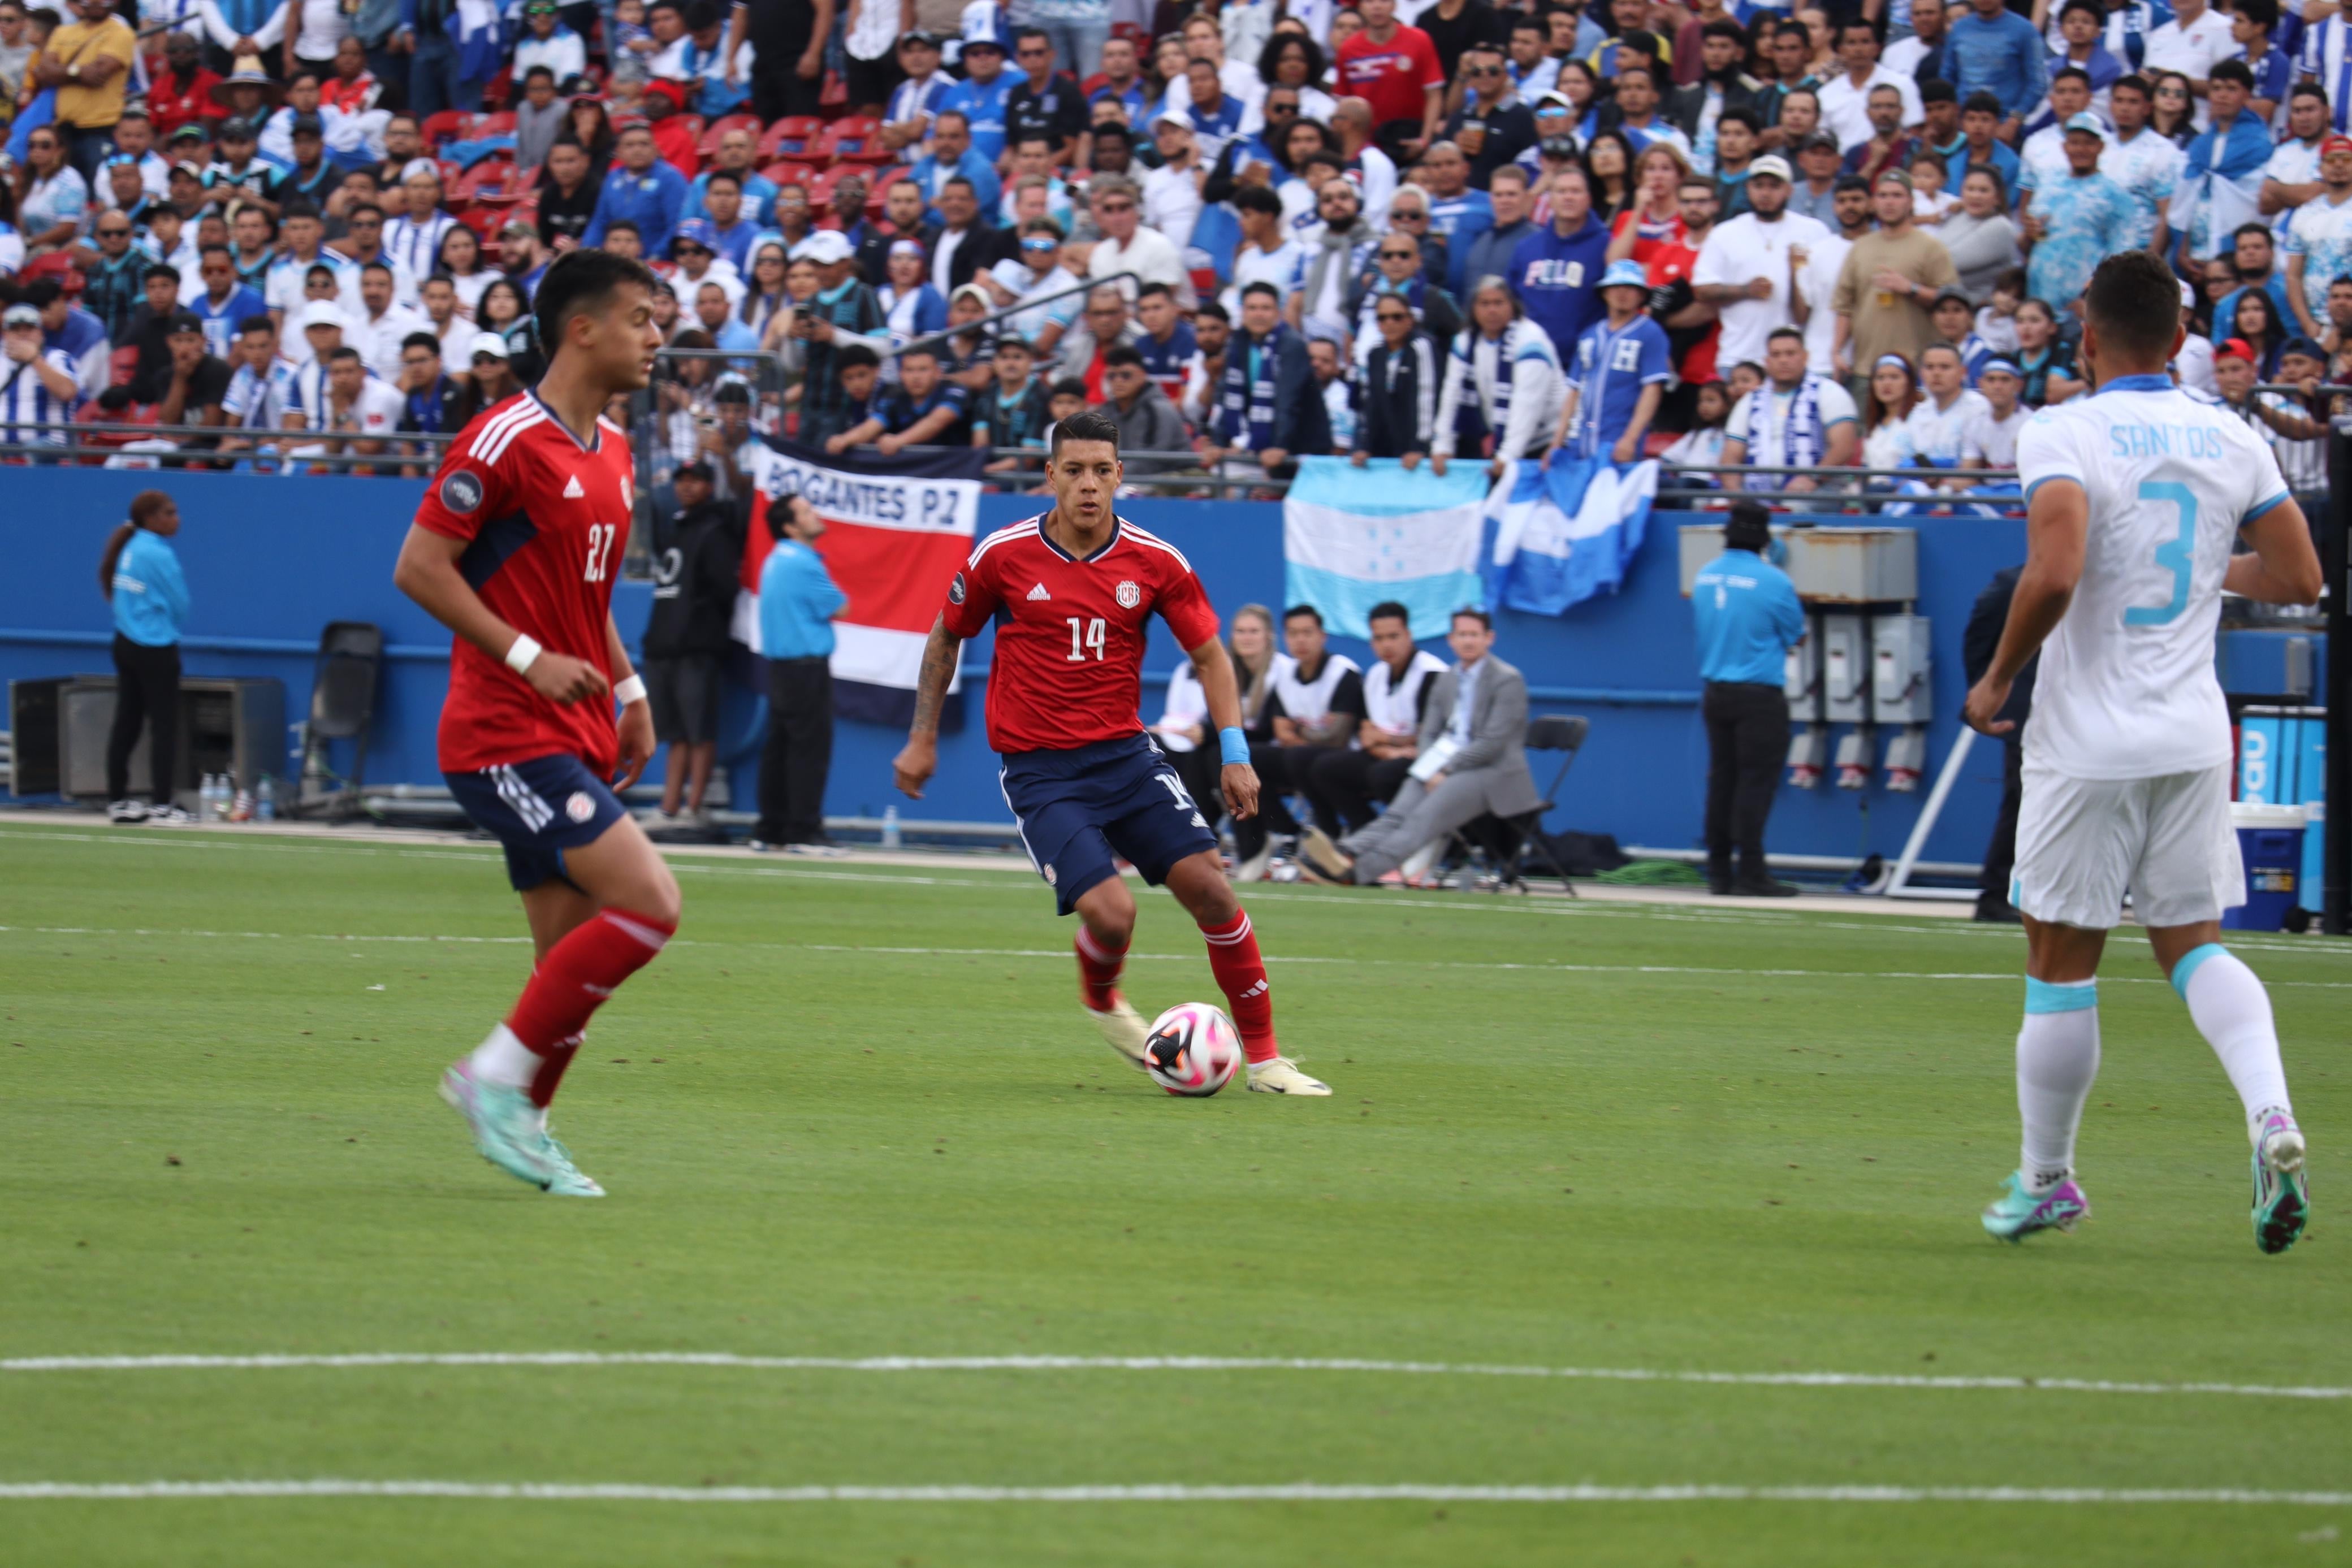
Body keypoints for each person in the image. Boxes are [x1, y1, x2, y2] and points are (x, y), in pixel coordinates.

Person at [1960, 248, 2320, 1253]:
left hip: (2090, 741)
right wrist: (2211, 568)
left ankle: (2048, 1179)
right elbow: (2298, 575)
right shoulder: (2228, 432)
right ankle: (2272, 1113)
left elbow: (2057, 566)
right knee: (2194, 939)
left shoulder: (2064, 429)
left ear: (2084, 332)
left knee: (2060, 957)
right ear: (2178, 340)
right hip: (2194, 732)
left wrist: (1995, 678)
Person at [892, 410, 1332, 1097]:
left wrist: (1234, 752)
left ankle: (1268, 1061)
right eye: (1074, 471)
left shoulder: (1156, 562)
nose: (1088, 485)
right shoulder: (1001, 556)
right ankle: (1103, 1001)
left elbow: (1212, 657)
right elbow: (946, 636)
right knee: (1111, 912)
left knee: (1212, 888)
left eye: (1101, 470)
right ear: (1050, 477)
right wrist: (922, 736)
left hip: (1126, 757)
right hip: (1041, 770)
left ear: (1120, 475)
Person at [390, 249, 679, 1200]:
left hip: (575, 727)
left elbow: (581, 592)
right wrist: (527, 659)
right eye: (642, 317)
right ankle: (488, 1079)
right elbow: (421, 567)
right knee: (651, 902)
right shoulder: (502, 439)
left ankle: (529, 1124)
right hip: (501, 732)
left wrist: (629, 693)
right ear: (582, 328)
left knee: (565, 965)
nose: (657, 336)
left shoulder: (614, 447)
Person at [1296, 607, 1542, 890]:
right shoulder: (1447, 679)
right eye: (1462, 635)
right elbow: (1430, 732)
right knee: (1396, 814)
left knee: (1421, 820)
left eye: (1474, 635)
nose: (1468, 641)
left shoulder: (1508, 680)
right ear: (1451, 640)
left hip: (1490, 772)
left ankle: (1357, 872)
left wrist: (1446, 770)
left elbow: (1492, 743)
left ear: (1490, 638)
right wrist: (1430, 764)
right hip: (1442, 764)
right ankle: (1344, 852)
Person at [1692, 499, 1804, 897]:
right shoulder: (1774, 581)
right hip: (1759, 694)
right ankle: (1752, 871)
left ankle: (1719, 871)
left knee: (1721, 780)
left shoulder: (1704, 576)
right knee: (1755, 784)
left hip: (1715, 692)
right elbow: (1797, 635)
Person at [638, 458, 739, 830]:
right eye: (682, 480)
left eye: (696, 480)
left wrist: (701, 623)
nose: (687, 486)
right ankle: (669, 809)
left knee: (700, 731)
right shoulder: (676, 529)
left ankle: (694, 809)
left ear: (710, 486)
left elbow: (726, 588)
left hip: (697, 648)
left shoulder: (714, 531)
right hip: (664, 646)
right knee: (675, 732)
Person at [749, 490, 845, 854]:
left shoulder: (776, 559)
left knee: (779, 748)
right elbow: (842, 606)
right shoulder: (803, 562)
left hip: (781, 670)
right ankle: (804, 832)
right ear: (790, 527)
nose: (815, 514)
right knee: (809, 750)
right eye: (805, 511)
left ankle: (770, 829)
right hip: (806, 670)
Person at [1303, 599, 1447, 837]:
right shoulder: (1375, 676)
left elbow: (1428, 737)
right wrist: (1393, 749)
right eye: (1379, 638)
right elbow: (1368, 736)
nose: (1386, 645)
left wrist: (1386, 740)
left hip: (1427, 760)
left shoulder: (1432, 674)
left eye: (1393, 636)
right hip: (1389, 757)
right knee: (1324, 768)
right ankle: (1366, 834)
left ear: (1409, 635)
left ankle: (1417, 836)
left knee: (1383, 775)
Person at [99, 491, 192, 826]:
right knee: (164, 726)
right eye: (170, 512)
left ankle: (118, 801)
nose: (176, 518)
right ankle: (163, 805)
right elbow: (180, 602)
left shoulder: (130, 547)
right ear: (151, 518)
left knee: (128, 721)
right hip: (155, 646)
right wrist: (166, 625)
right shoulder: (158, 553)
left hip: (125, 642)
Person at [1431, 275, 1564, 478]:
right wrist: (1442, 445)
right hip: (1504, 440)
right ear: (1473, 309)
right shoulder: (1465, 342)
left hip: (1547, 441)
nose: (1491, 310)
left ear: (1512, 306)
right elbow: (1452, 393)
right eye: (1484, 304)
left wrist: (1507, 456)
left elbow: (1527, 405)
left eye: (1498, 303)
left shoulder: (1530, 341)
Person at [1962, 563, 2033, 923]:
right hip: (2031, 712)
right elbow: (1979, 636)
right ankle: (1998, 893)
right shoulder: (2013, 583)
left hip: (2091, 712)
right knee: (2024, 801)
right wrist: (1983, 688)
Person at [1553, 258, 1671, 463]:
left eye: (1630, 288)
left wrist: (1630, 439)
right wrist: (1557, 441)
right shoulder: (1589, 334)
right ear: (1605, 292)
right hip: (1579, 441)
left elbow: (1652, 389)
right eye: (1615, 287)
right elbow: (1574, 390)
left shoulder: (1650, 332)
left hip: (1618, 443)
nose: (1622, 293)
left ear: (1642, 295)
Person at [1722, 325, 1860, 492]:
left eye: (1790, 354)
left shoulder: (1830, 392)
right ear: (1767, 362)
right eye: (1776, 355)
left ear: (1805, 357)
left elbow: (1844, 448)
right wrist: (1736, 494)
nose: (1783, 360)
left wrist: (1812, 479)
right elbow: (1731, 455)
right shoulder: (1750, 402)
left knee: (1799, 506)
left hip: (1819, 487)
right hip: (1757, 491)